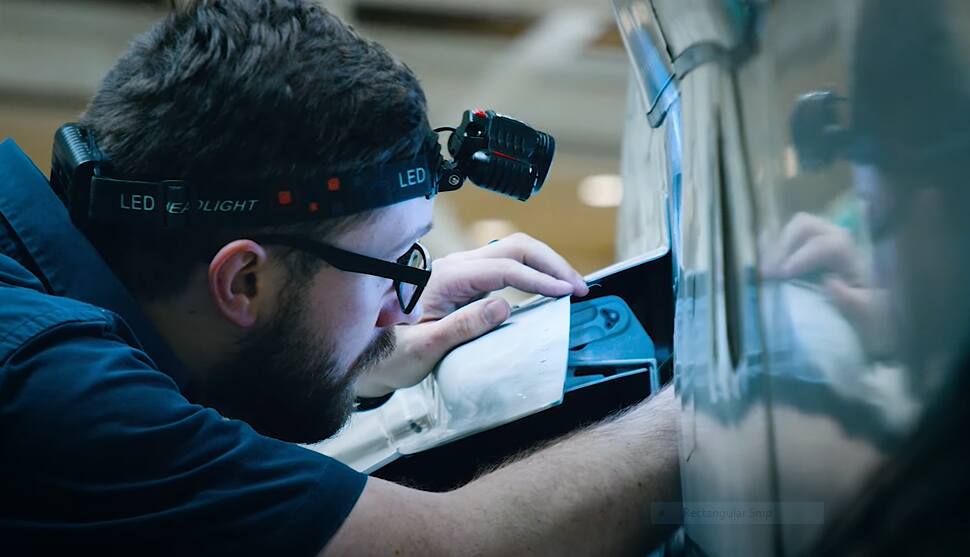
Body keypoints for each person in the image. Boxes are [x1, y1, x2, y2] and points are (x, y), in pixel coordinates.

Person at [0, 1, 680, 555]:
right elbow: (448, 547)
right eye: (394, 265)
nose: (401, 307)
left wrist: (346, 348)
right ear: (242, 283)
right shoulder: (54, 390)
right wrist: (709, 407)